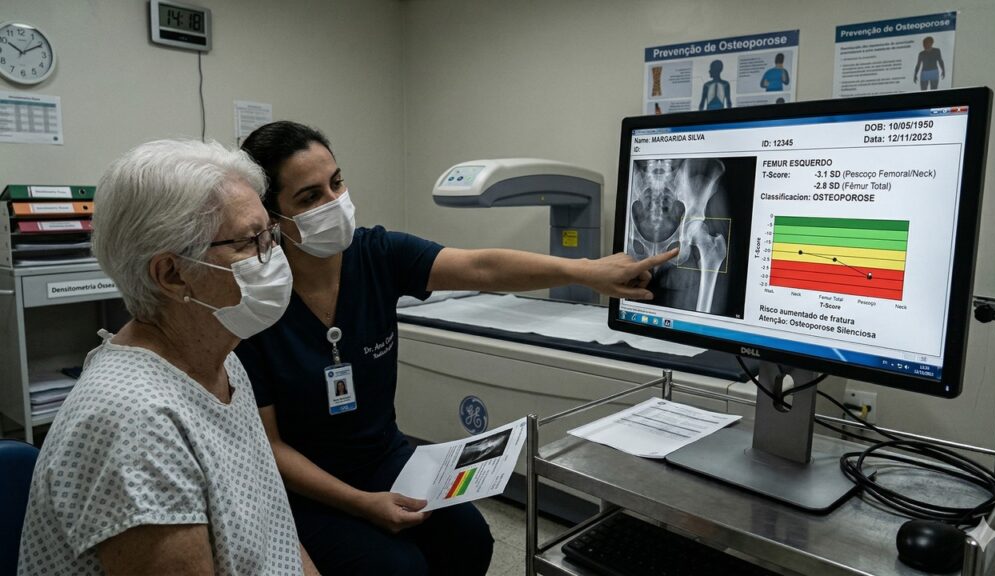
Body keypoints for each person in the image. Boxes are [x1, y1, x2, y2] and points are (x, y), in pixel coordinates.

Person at [236, 120, 677, 575]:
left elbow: (481, 267)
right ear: (271, 218)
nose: (334, 203)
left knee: (469, 538)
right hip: (305, 488)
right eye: (310, 198)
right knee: (397, 568)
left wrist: (586, 271)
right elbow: (269, 445)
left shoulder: (376, 255)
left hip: (382, 457)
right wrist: (363, 504)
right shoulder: (257, 303)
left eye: (337, 183)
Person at [18, 140, 318, 575]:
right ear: (173, 275)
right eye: (251, 242)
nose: (273, 256)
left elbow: (277, 542)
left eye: (269, 234)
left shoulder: (220, 357)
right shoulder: (136, 424)